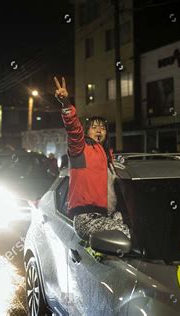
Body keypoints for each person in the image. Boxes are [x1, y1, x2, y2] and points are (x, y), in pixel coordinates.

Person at [54, 76, 130, 241]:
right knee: (126, 232)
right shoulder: (81, 150)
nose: (99, 130)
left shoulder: (108, 157)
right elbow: (74, 130)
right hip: (86, 218)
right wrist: (66, 104)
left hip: (105, 216)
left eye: (102, 128)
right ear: (86, 131)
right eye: (94, 127)